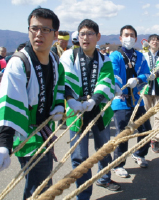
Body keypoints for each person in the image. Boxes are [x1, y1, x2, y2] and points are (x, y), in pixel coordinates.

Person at [0, 7, 65, 199]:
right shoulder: (19, 62)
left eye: (45, 30)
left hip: (45, 129)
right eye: (34, 28)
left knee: (41, 183)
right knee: (41, 186)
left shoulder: (55, 61)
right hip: (25, 134)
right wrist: (3, 144)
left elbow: (61, 85)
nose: (39, 34)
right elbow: (9, 102)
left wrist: (59, 105)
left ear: (55, 34)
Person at [60, 19, 120, 199]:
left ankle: (104, 177)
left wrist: (94, 100)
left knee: (104, 149)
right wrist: (71, 100)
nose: (85, 37)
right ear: (78, 37)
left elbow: (106, 80)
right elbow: (66, 79)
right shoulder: (69, 56)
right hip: (76, 110)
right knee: (79, 157)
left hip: (99, 109)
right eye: (82, 34)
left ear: (98, 37)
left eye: (90, 33)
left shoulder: (104, 58)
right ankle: (83, 194)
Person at [109, 25, 152, 178]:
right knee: (123, 134)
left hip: (137, 100)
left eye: (132, 35)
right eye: (126, 35)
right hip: (121, 100)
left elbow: (147, 74)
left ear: (136, 38)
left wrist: (139, 79)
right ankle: (118, 164)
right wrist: (119, 85)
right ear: (120, 38)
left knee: (146, 129)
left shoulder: (140, 56)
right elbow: (113, 75)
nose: (129, 38)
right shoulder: (115, 56)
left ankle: (139, 153)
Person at [142, 34, 159, 153]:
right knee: (145, 115)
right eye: (152, 40)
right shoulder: (143, 55)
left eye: (157, 40)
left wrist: (155, 74)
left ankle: (155, 139)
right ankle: (145, 136)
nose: (154, 42)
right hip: (145, 89)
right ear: (149, 42)